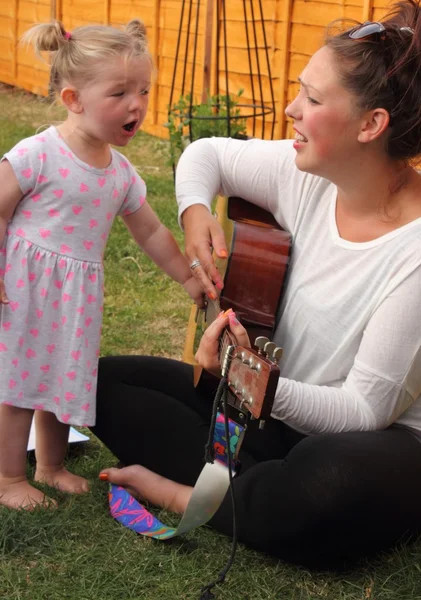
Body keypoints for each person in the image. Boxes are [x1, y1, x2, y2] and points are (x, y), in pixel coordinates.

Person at [93, 0, 421, 569]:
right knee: (96, 384)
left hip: (369, 443)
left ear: (371, 125)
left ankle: (184, 492)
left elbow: (365, 409)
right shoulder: (308, 172)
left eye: (314, 100)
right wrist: (196, 213)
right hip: (269, 413)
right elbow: (206, 155)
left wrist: (249, 379)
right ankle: (252, 491)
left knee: (325, 483)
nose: (292, 109)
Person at [0, 19, 203, 510]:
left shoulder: (121, 173)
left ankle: (50, 465)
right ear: (74, 99)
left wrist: (187, 276)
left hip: (76, 296)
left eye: (144, 91)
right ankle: (8, 480)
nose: (137, 104)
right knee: (21, 387)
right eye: (120, 93)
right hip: (26, 288)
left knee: (63, 377)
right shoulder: (39, 154)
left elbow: (151, 231)